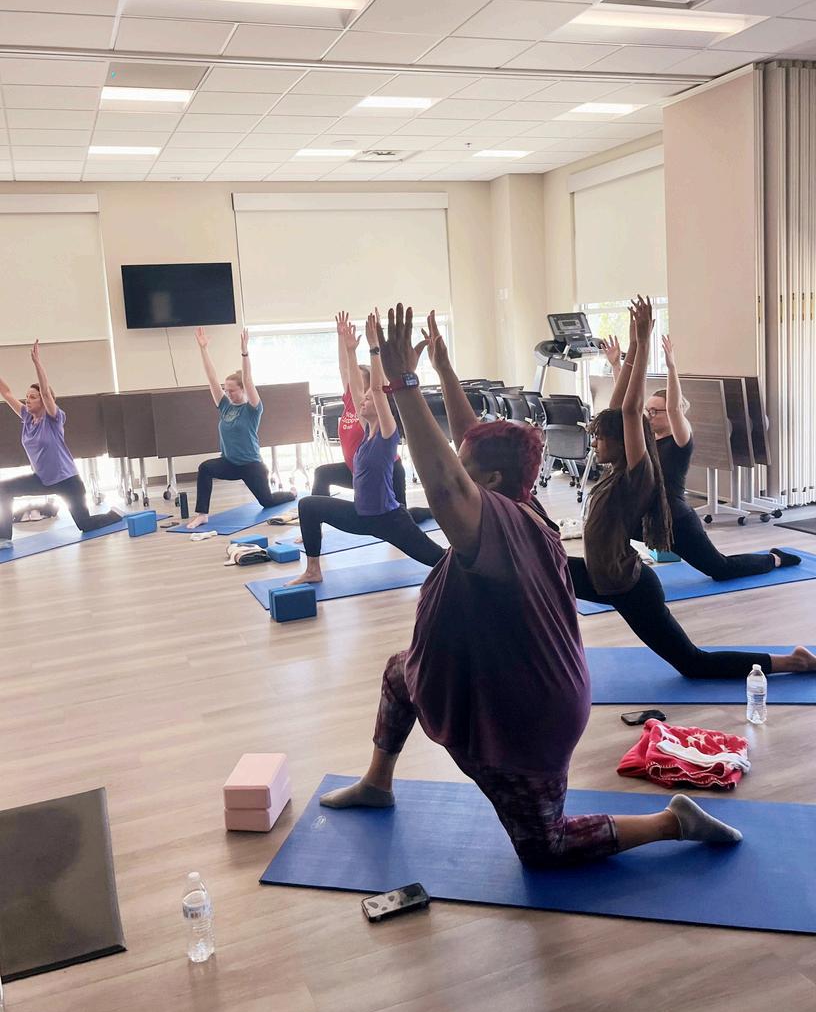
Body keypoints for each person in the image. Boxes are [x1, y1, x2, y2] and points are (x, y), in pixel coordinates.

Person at [319, 303, 745, 865]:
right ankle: (378, 783)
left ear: (490, 481)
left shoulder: (495, 527)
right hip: (495, 680)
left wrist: (404, 385)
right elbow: (471, 442)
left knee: (545, 846)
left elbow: (447, 486)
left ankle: (673, 822)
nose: (460, 468)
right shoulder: (517, 499)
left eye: (468, 469)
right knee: (402, 673)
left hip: (529, 715)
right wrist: (443, 369)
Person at [575, 298, 815, 679]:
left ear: (622, 442)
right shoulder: (615, 466)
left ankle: (793, 661)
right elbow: (619, 410)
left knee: (693, 663)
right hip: (599, 575)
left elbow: (630, 410)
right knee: (540, 569)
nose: (594, 442)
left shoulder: (635, 475)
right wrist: (631, 350)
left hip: (628, 587)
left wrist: (645, 342)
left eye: (600, 438)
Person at [287, 314, 445, 585]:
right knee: (308, 506)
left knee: (440, 560)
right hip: (361, 516)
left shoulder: (386, 433)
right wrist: (350, 351)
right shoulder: (366, 430)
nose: (363, 401)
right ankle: (313, 570)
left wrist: (374, 348)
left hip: (389, 520)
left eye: (369, 400)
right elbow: (356, 388)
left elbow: (376, 389)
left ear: (382, 405)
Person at [645, 335, 795, 579]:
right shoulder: (647, 438)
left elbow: (673, 408)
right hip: (652, 516)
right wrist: (619, 365)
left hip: (677, 519)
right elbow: (626, 413)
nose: (649, 415)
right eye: (647, 410)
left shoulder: (681, 440)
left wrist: (671, 367)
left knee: (720, 569)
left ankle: (774, 559)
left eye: (655, 411)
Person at [312, 312, 431, 524]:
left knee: (402, 519)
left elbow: (378, 385)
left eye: (358, 378)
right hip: (358, 470)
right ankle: (316, 521)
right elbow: (345, 370)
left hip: (387, 471)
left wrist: (377, 345)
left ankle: (431, 512)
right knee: (323, 474)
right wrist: (345, 342)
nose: (351, 380)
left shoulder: (374, 408)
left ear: (367, 384)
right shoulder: (353, 401)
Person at [0, 342, 122, 546]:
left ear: (43, 401)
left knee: (85, 524)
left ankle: (115, 514)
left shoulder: (54, 419)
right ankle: (3, 538)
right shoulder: (26, 418)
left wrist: (37, 363)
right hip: (41, 480)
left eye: (33, 397)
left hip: (67, 481)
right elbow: (6, 392)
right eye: (27, 397)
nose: (27, 400)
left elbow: (46, 392)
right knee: (3, 489)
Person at [185, 328, 294, 531]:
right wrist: (203, 349)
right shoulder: (225, 406)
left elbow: (248, 379)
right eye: (226, 390)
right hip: (229, 463)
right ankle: (202, 515)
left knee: (267, 501)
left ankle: (291, 494)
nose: (228, 393)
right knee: (205, 468)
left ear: (242, 389)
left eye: (232, 390)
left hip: (251, 465)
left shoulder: (252, 409)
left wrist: (245, 352)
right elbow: (211, 378)